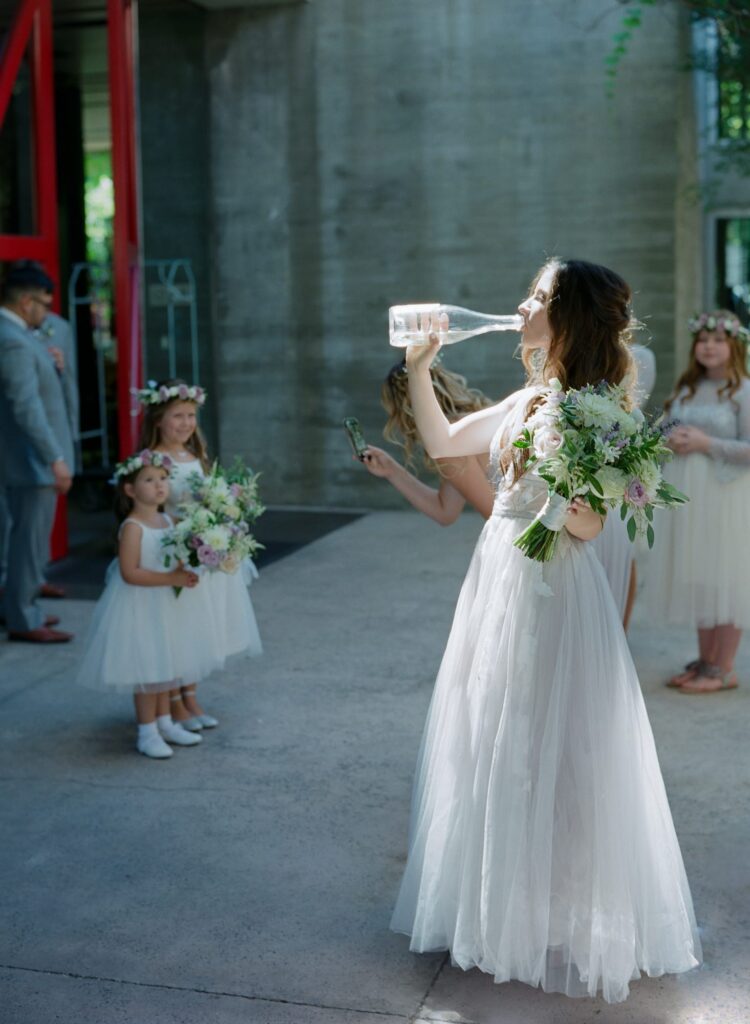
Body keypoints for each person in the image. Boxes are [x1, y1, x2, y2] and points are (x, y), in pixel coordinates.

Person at [390, 259, 701, 1003]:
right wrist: (423, 369)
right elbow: (444, 446)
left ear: (566, 316)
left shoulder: (601, 409)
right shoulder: (531, 396)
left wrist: (555, 494)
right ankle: (502, 908)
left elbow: (594, 524)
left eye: (535, 297)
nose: (520, 305)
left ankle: (563, 912)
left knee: (560, 744)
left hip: (554, 585)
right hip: (496, 576)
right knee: (494, 734)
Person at [137, 380, 262, 731]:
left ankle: (190, 697)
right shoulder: (154, 460)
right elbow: (154, 507)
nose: (185, 423)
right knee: (178, 631)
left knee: (200, 630)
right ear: (158, 419)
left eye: (190, 415)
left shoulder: (195, 456)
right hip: (174, 555)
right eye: (177, 415)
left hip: (201, 554)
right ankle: (173, 703)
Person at [76, 450, 212, 758]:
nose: (159, 485)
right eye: (149, 480)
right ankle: (146, 731)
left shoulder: (168, 519)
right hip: (142, 605)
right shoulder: (133, 527)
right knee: (148, 668)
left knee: (166, 665)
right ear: (129, 490)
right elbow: (130, 573)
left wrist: (190, 569)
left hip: (167, 604)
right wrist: (171, 580)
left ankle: (165, 723)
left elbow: (176, 557)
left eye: (163, 478)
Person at [650, 311, 750, 693]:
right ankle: (706, 659)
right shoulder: (687, 387)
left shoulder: (743, 390)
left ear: (734, 346)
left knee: (727, 575)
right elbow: (666, 429)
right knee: (702, 574)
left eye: (718, 339)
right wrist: (668, 438)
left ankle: (724, 667)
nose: (709, 346)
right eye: (703, 339)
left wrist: (707, 444)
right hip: (690, 498)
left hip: (727, 497)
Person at [0, 263, 75, 642]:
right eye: (43, 304)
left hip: (26, 460)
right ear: (26, 301)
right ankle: (23, 618)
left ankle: (20, 607)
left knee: (21, 541)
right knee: (29, 543)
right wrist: (54, 457)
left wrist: (54, 366)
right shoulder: (11, 338)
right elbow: (26, 407)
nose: (47, 313)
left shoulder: (20, 336)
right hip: (31, 462)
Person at [360, 358, 494, 522]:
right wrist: (391, 470)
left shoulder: (450, 438)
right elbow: (445, 511)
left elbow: (495, 515)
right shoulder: (468, 422)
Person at [590, 341, 656, 628]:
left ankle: (618, 634)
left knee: (620, 557)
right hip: (583, 461)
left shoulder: (639, 356)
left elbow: (633, 405)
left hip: (614, 458)